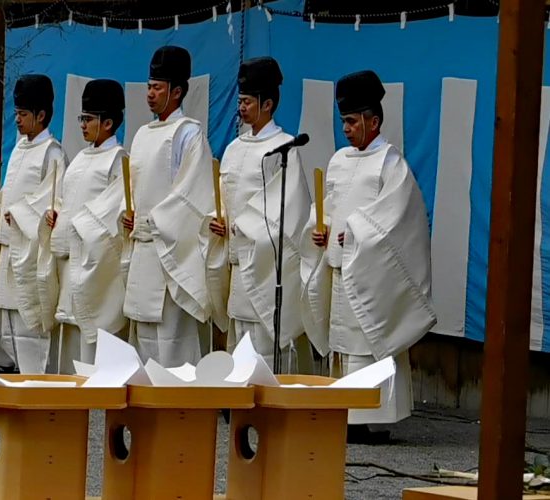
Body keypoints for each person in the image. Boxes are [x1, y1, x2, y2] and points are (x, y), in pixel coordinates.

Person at [300, 70, 436, 442]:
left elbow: (397, 218)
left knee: (368, 337)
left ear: (374, 121)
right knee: (344, 342)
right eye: (343, 121)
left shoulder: (389, 163)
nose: (346, 129)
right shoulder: (339, 160)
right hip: (340, 265)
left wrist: (357, 233)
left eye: (352, 121)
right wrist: (318, 226)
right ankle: (348, 412)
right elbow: (326, 206)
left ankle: (372, 417)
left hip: (369, 268)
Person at [209, 57, 317, 372]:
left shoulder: (284, 147)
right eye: (240, 101)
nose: (241, 108)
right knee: (240, 335)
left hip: (266, 263)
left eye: (247, 102)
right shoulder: (233, 148)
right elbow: (223, 196)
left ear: (267, 104)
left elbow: (289, 211)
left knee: (264, 339)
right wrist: (219, 220)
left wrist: (245, 230)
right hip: (237, 261)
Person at [121, 46, 216, 368]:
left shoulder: (188, 133)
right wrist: (128, 214)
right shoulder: (142, 134)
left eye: (157, 88)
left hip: (170, 248)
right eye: (148, 87)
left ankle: (178, 405)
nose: (149, 94)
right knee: (144, 330)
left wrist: (157, 222)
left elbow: (193, 194)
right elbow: (131, 188)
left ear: (176, 91)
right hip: (142, 246)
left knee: (172, 334)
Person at [0, 74, 68, 374]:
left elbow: (54, 201)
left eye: (23, 114)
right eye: (16, 113)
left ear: (41, 115)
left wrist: (21, 215)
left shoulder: (52, 152)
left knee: (27, 314)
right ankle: (10, 366)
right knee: (8, 311)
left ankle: (33, 371)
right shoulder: (20, 148)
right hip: (9, 242)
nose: (17, 120)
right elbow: (12, 189)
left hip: (31, 248)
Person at [43, 79, 128, 372]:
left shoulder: (118, 160)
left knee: (91, 324)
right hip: (70, 258)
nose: (82, 124)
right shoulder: (79, 158)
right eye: (82, 118)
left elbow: (112, 214)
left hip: (94, 261)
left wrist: (79, 228)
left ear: (107, 123)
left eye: (88, 119)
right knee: (69, 321)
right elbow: (67, 200)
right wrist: (57, 216)